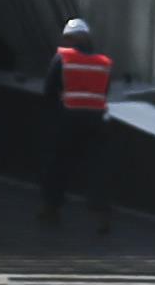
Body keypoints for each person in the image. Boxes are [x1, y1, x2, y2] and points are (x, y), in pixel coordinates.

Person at [41, 16, 117, 230]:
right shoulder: (104, 63)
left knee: (58, 164)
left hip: (68, 118)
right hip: (97, 120)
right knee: (98, 167)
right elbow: (105, 91)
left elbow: (49, 89)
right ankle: (103, 215)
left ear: (70, 38)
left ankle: (51, 209)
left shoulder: (63, 58)